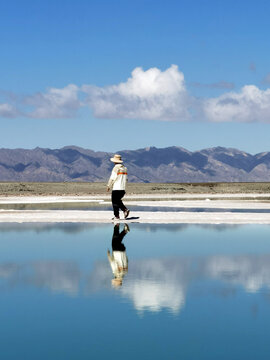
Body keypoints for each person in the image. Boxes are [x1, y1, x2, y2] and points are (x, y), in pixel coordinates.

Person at [107, 154, 130, 220]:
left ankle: (120, 213)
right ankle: (120, 213)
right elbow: (126, 179)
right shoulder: (125, 168)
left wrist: (109, 185)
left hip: (116, 188)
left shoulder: (116, 168)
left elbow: (112, 177)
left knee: (114, 202)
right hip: (122, 188)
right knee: (118, 201)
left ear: (114, 161)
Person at [107, 223, 130, 287]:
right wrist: (109, 256)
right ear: (116, 279)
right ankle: (117, 226)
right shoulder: (116, 272)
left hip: (123, 251)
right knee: (114, 239)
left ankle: (124, 230)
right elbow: (113, 263)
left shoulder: (125, 272)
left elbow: (127, 260)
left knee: (117, 240)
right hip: (117, 252)